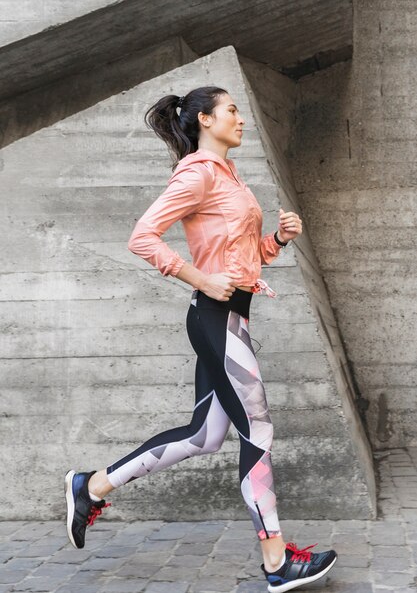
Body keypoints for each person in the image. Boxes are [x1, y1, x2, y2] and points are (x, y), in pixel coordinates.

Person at [64, 86, 337, 592]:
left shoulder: (226, 175)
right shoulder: (197, 173)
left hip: (230, 317)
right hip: (216, 317)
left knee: (203, 436)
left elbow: (233, 256)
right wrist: (200, 279)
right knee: (258, 432)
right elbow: (142, 236)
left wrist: (276, 240)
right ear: (206, 119)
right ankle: (277, 563)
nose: (240, 119)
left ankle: (91, 486)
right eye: (232, 110)